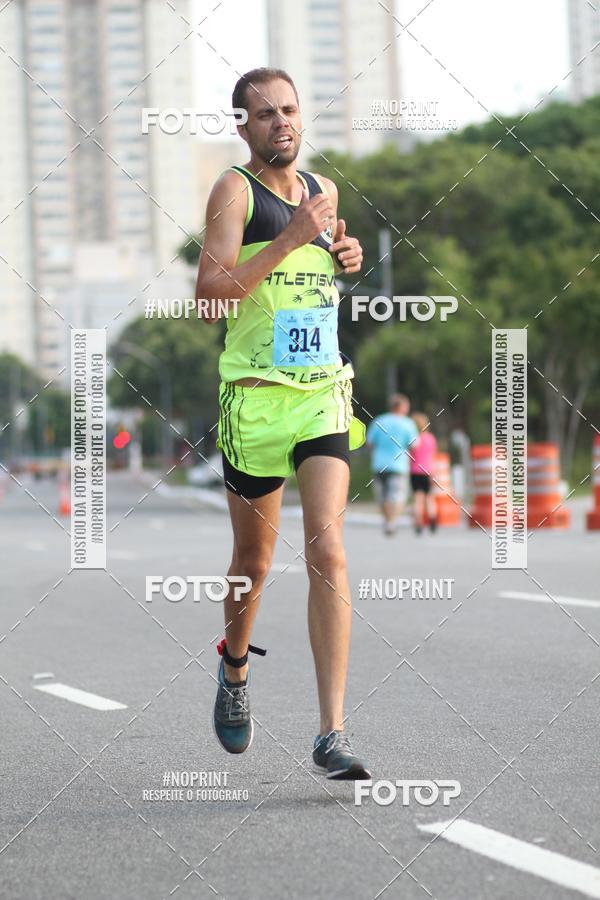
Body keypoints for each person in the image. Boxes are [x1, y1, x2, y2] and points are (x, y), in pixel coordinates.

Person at [195, 67, 371, 780]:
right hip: (255, 399)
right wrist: (291, 236)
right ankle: (234, 669)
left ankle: (331, 730)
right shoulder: (235, 190)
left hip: (322, 392)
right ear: (243, 126)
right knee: (255, 563)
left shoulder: (324, 193)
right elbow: (210, 295)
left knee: (328, 551)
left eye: (290, 110)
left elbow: (323, 265)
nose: (281, 123)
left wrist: (343, 254)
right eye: (265, 114)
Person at [366, 394, 418, 535]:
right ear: (402, 407)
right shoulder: (408, 423)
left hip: (379, 464)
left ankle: (387, 520)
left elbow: (369, 443)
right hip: (399, 465)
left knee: (382, 496)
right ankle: (392, 521)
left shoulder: (379, 421)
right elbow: (414, 445)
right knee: (397, 495)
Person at [410, 412, 438, 534]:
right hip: (428, 470)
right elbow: (433, 456)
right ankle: (432, 519)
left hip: (415, 471)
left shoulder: (414, 439)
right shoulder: (431, 438)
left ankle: (418, 523)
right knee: (429, 498)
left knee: (417, 498)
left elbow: (410, 455)